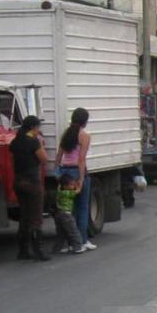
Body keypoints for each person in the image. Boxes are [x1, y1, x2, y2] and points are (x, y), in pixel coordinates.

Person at [10, 115, 51, 262]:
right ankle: (39, 251)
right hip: (32, 182)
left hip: (18, 181)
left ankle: (23, 250)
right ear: (34, 127)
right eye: (38, 127)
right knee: (36, 217)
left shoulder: (15, 141)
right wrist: (39, 142)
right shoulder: (34, 141)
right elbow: (44, 159)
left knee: (24, 216)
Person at [57, 107, 95, 252]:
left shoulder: (66, 134)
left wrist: (57, 171)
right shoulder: (84, 136)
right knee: (83, 208)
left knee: (69, 209)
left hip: (65, 172)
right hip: (76, 171)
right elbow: (81, 160)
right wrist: (81, 178)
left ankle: (70, 242)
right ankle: (82, 240)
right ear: (84, 122)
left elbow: (59, 155)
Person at [51, 173, 85, 255]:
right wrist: (79, 185)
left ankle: (57, 248)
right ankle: (78, 247)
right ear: (66, 186)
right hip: (67, 215)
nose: (73, 186)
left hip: (58, 214)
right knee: (73, 231)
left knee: (61, 233)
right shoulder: (68, 193)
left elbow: (59, 185)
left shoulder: (59, 191)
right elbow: (78, 191)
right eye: (72, 185)